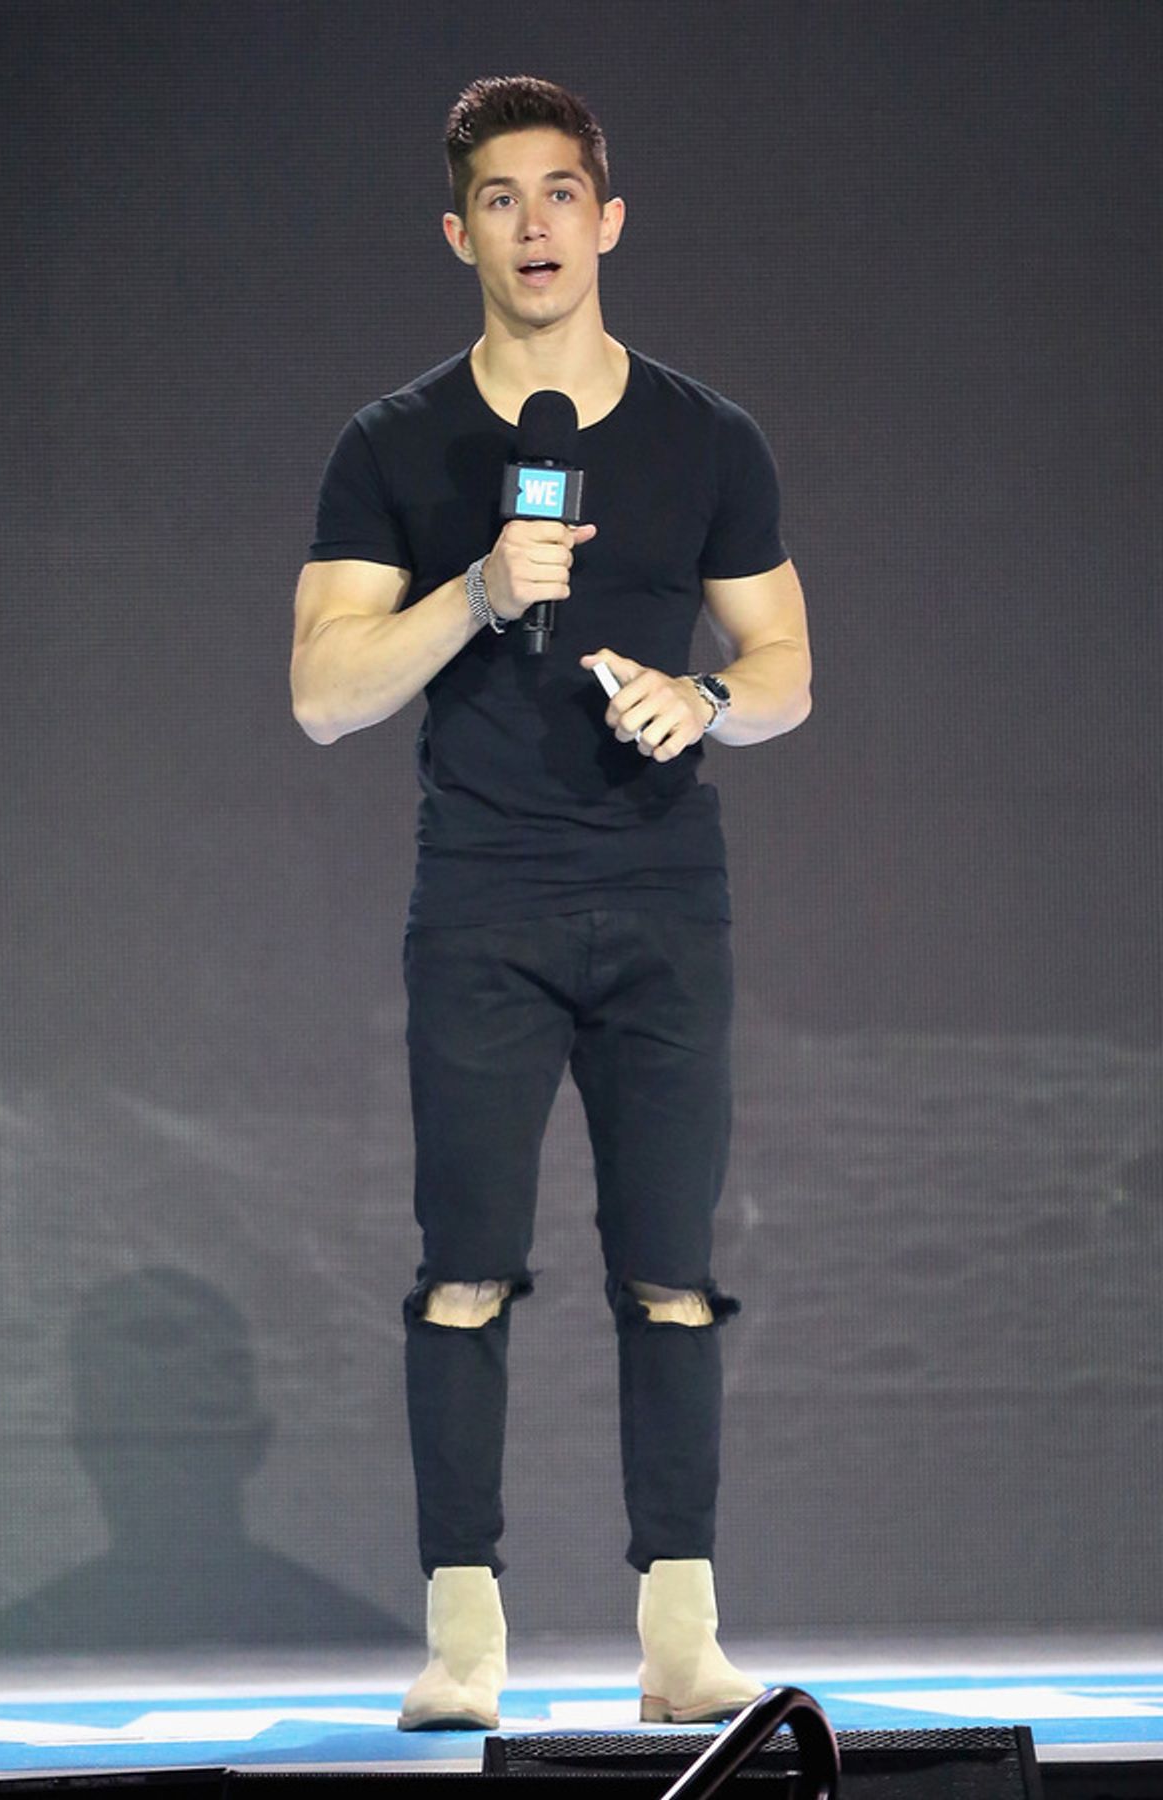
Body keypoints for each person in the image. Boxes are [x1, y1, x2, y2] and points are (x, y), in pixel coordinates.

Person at [290, 75, 812, 1731]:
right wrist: (472, 589)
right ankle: (465, 1643)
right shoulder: (392, 445)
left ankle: (680, 1642)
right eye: (500, 200)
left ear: (610, 219)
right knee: (465, 1270)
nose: (535, 226)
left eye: (561, 194)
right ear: (459, 234)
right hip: (484, 903)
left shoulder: (709, 437)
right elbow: (322, 693)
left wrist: (704, 700)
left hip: (662, 898)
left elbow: (787, 668)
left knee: (671, 1271)